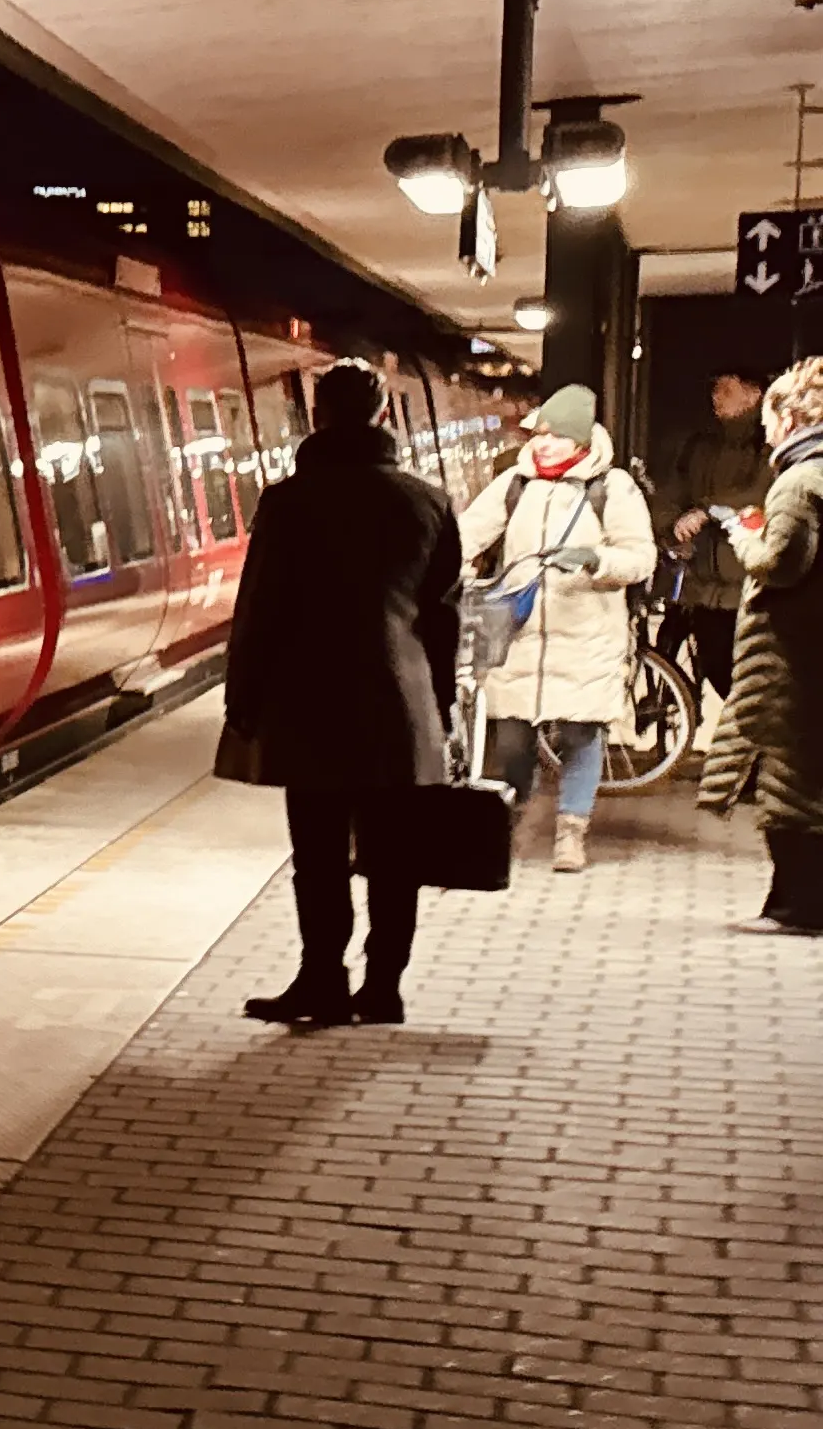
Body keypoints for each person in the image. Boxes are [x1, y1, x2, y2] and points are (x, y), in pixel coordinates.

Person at [221, 358, 462, 1027]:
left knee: (319, 857)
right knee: (393, 858)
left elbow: (260, 609)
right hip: (402, 703)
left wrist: (242, 698)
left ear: (317, 416)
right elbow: (443, 617)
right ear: (385, 414)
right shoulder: (428, 501)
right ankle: (384, 988)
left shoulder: (288, 501)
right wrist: (441, 708)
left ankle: (322, 978)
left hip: (311, 704)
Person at [456, 382, 657, 874]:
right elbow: (465, 533)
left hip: (586, 632)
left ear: (581, 441)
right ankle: (513, 818)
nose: (542, 444)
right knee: (512, 738)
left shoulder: (612, 488)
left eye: (555, 436)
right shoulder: (516, 484)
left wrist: (595, 560)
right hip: (518, 632)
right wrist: (448, 570)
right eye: (538, 434)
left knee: (582, 734)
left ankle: (571, 834)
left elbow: (639, 557)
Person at [725, 356, 823, 934]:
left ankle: (795, 907)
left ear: (788, 416)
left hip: (796, 655)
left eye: (767, 417)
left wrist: (746, 537)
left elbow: (782, 565)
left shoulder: (799, 480)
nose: (764, 431)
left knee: (790, 786)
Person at [656, 367, 774, 694]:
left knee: (754, 679)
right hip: (704, 584)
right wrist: (670, 525)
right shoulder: (701, 446)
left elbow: (762, 493)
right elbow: (672, 492)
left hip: (750, 584)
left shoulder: (770, 446)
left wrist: (706, 510)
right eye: (714, 389)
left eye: (726, 389)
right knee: (718, 668)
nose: (716, 397)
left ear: (754, 394)